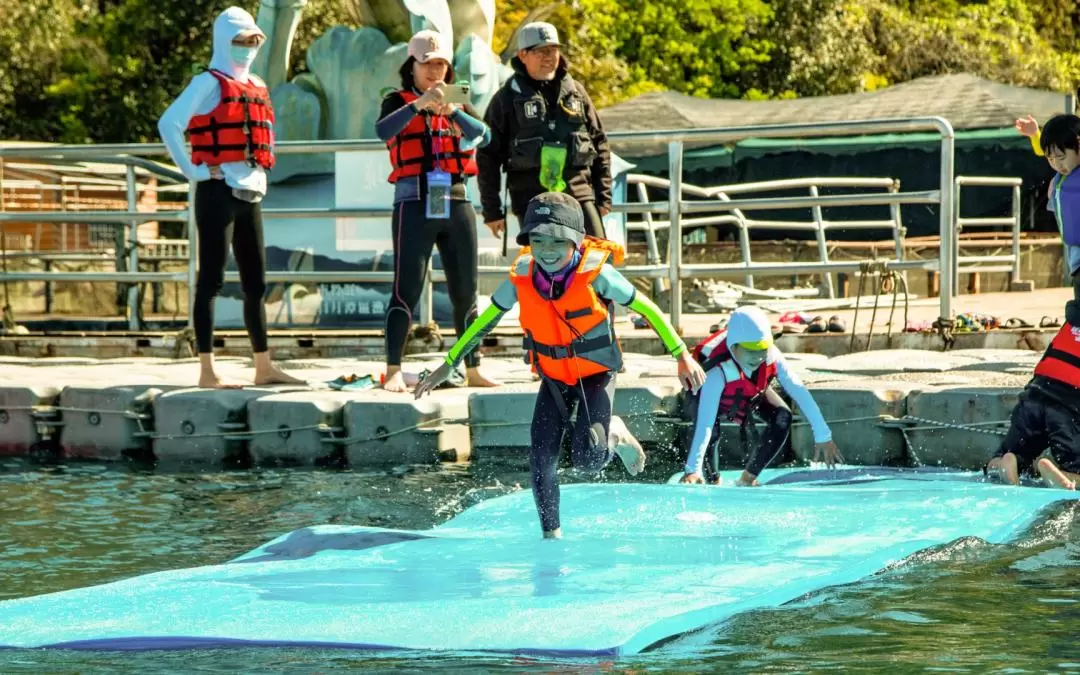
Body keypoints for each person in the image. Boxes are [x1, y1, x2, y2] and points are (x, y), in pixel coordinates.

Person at [414, 192, 707, 538]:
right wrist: (449, 364)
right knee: (540, 460)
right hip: (553, 378)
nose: (546, 250)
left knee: (589, 460)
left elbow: (649, 309)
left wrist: (681, 354)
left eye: (557, 241)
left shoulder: (599, 275)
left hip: (596, 374)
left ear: (576, 242)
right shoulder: (521, 278)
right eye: (537, 240)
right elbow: (483, 324)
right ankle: (551, 535)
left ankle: (615, 433)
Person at [158, 7, 302, 388]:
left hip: (249, 191)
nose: (248, 48)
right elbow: (168, 123)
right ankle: (207, 370)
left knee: (256, 283)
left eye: (254, 41)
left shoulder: (256, 83)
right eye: (240, 41)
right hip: (217, 190)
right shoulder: (207, 82)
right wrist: (195, 171)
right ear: (224, 42)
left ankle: (263, 366)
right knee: (212, 280)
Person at [375, 30, 498, 392]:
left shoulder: (458, 96)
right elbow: (383, 131)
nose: (435, 71)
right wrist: (418, 105)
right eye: (427, 64)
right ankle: (393, 369)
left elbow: (485, 136)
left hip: (456, 200)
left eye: (441, 63)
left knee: (465, 291)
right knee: (406, 289)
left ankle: (473, 367)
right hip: (413, 202)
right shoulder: (395, 100)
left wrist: (454, 112)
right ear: (412, 65)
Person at [477, 22, 611, 243]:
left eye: (553, 50)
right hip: (532, 199)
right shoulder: (506, 99)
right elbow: (487, 156)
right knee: (545, 264)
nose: (549, 57)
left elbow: (600, 143)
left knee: (596, 260)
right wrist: (492, 210)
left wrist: (603, 197)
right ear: (522, 55)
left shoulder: (577, 92)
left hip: (578, 193)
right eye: (540, 51)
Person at [679, 307, 843, 486]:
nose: (758, 357)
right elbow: (706, 424)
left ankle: (747, 479)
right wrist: (693, 470)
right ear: (734, 347)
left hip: (747, 391)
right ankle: (713, 480)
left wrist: (823, 436)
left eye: (762, 349)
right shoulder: (716, 369)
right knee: (712, 435)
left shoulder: (771, 355)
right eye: (751, 350)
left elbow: (798, 390)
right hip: (705, 397)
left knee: (782, 416)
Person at [986, 319, 1080, 490]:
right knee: (1076, 469)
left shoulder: (1072, 322)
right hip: (1067, 410)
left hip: (1033, 397)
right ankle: (1063, 476)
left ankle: (1005, 463)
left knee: (1012, 453)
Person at [1015, 114, 1080, 305]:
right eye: (1051, 160)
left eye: (1060, 158)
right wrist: (1036, 134)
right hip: (1076, 259)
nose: (1056, 165)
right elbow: (1050, 150)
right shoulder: (1062, 177)